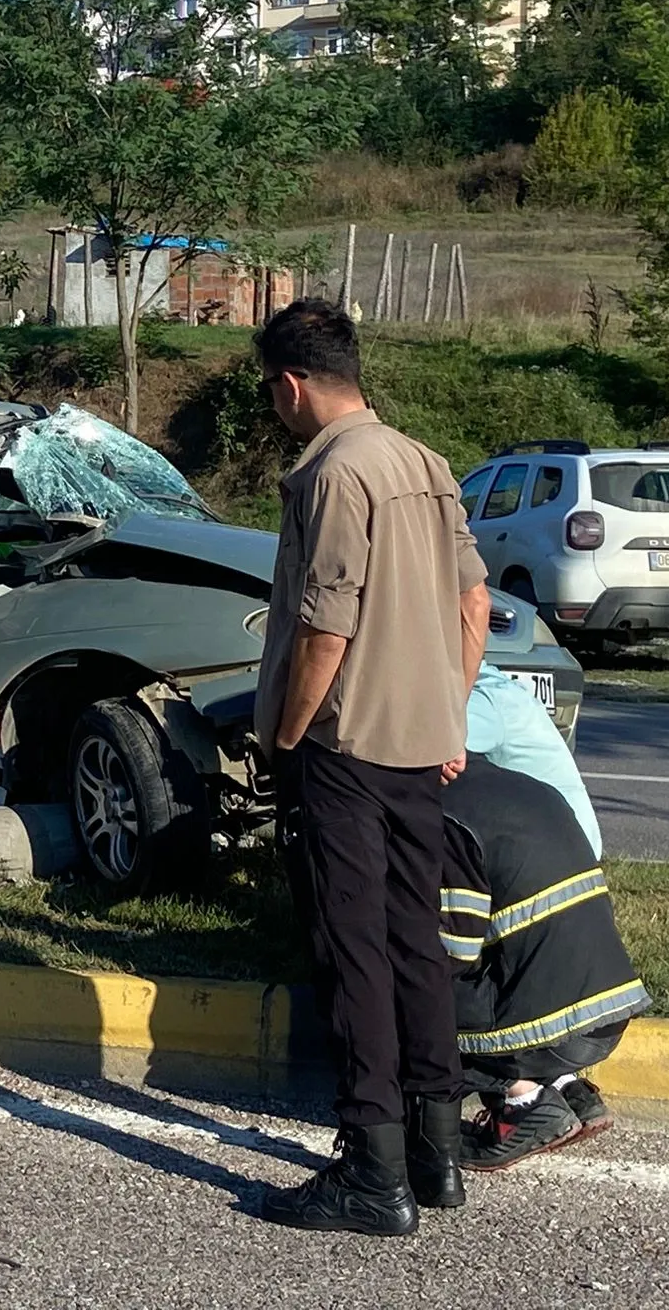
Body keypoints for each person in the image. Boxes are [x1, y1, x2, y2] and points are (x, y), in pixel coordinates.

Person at [253, 298, 492, 1238]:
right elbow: (474, 606)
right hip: (423, 739)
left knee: (349, 949)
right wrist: (448, 707)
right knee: (414, 942)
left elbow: (326, 628)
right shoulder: (424, 462)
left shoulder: (332, 475)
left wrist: (286, 738)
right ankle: (437, 1155)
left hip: (345, 741)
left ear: (291, 384)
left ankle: (370, 1169)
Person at [438, 754, 649, 1168]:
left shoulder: (447, 816)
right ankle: (570, 1091)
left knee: (411, 987)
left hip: (551, 1026)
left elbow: (452, 952)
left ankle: (526, 1102)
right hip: (611, 1009)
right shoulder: (530, 787)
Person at [465, 664, 601, 858]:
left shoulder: (484, 697)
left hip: (556, 850)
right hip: (575, 841)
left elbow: (438, 749)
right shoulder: (500, 686)